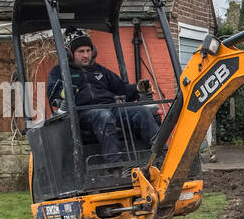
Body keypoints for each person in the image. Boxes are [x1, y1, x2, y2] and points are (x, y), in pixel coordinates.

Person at [46, 33, 159, 165]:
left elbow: (122, 89)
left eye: (88, 51)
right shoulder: (60, 71)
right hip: (82, 112)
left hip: (111, 108)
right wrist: (64, 93)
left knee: (141, 111)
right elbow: (52, 91)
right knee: (103, 115)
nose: (86, 55)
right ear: (70, 54)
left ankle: (160, 152)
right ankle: (115, 165)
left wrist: (138, 88)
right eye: (81, 51)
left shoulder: (101, 71)